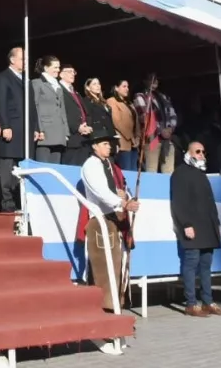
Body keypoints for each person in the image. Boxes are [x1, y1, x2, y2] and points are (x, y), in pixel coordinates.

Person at [79, 125, 138, 311]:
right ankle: (104, 306)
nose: (109, 147)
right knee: (103, 265)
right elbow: (101, 192)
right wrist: (122, 203)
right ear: (95, 146)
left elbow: (116, 190)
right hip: (100, 220)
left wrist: (125, 198)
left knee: (116, 262)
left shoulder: (111, 167)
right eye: (105, 144)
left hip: (113, 219)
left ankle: (115, 304)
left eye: (110, 144)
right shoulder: (91, 165)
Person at [170, 141, 221, 317]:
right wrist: (186, 224)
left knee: (206, 265)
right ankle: (191, 304)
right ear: (189, 153)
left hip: (207, 226)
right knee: (191, 263)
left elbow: (210, 202)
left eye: (203, 151)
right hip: (192, 226)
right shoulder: (180, 173)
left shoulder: (201, 174)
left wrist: (216, 223)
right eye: (198, 151)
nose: (201, 154)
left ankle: (208, 301)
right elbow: (178, 202)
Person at [0, 47, 37, 212]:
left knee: (22, 168)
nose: (25, 62)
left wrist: (36, 127)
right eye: (22, 58)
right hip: (12, 129)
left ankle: (20, 201)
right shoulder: (3, 78)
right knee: (7, 169)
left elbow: (32, 106)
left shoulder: (26, 80)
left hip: (26, 130)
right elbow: (2, 103)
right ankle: (7, 203)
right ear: (12, 60)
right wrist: (5, 125)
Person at [32, 55, 67, 163]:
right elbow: (35, 107)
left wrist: (66, 131)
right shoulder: (37, 83)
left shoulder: (58, 86)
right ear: (46, 68)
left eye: (58, 67)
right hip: (45, 130)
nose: (58, 70)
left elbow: (62, 109)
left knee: (55, 166)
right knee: (43, 165)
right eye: (55, 67)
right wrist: (38, 128)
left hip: (58, 131)